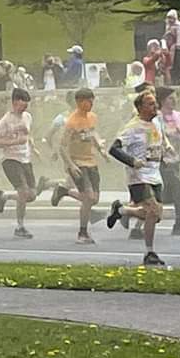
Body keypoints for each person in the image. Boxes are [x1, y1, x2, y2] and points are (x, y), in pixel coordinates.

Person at [106, 90, 169, 267]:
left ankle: (121, 211)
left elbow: (155, 144)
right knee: (153, 210)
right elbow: (114, 149)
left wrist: (164, 155)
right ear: (140, 107)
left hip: (155, 174)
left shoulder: (156, 122)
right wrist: (132, 161)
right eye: (150, 104)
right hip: (138, 176)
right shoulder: (133, 127)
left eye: (155, 102)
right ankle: (149, 253)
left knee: (154, 215)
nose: (155, 106)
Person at [52, 88, 106, 245]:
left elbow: (93, 134)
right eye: (87, 101)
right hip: (77, 162)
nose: (90, 104)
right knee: (88, 198)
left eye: (92, 100)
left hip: (91, 161)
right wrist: (70, 165)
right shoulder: (72, 122)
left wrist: (101, 149)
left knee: (94, 199)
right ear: (79, 102)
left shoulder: (92, 117)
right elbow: (62, 147)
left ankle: (64, 191)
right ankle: (82, 233)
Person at [0, 88, 43, 238]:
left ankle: (4, 196)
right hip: (10, 159)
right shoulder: (6, 120)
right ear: (15, 102)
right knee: (23, 192)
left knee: (32, 195)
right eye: (22, 104)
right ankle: (20, 227)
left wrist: (33, 148)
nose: (25, 108)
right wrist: (13, 141)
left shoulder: (27, 117)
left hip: (25, 159)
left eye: (27, 105)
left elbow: (28, 135)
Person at [156, 86, 180, 236]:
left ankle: (128, 215)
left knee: (162, 196)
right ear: (162, 100)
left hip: (175, 161)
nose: (174, 100)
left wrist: (179, 130)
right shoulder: (156, 118)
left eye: (175, 97)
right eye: (171, 98)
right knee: (179, 191)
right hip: (161, 162)